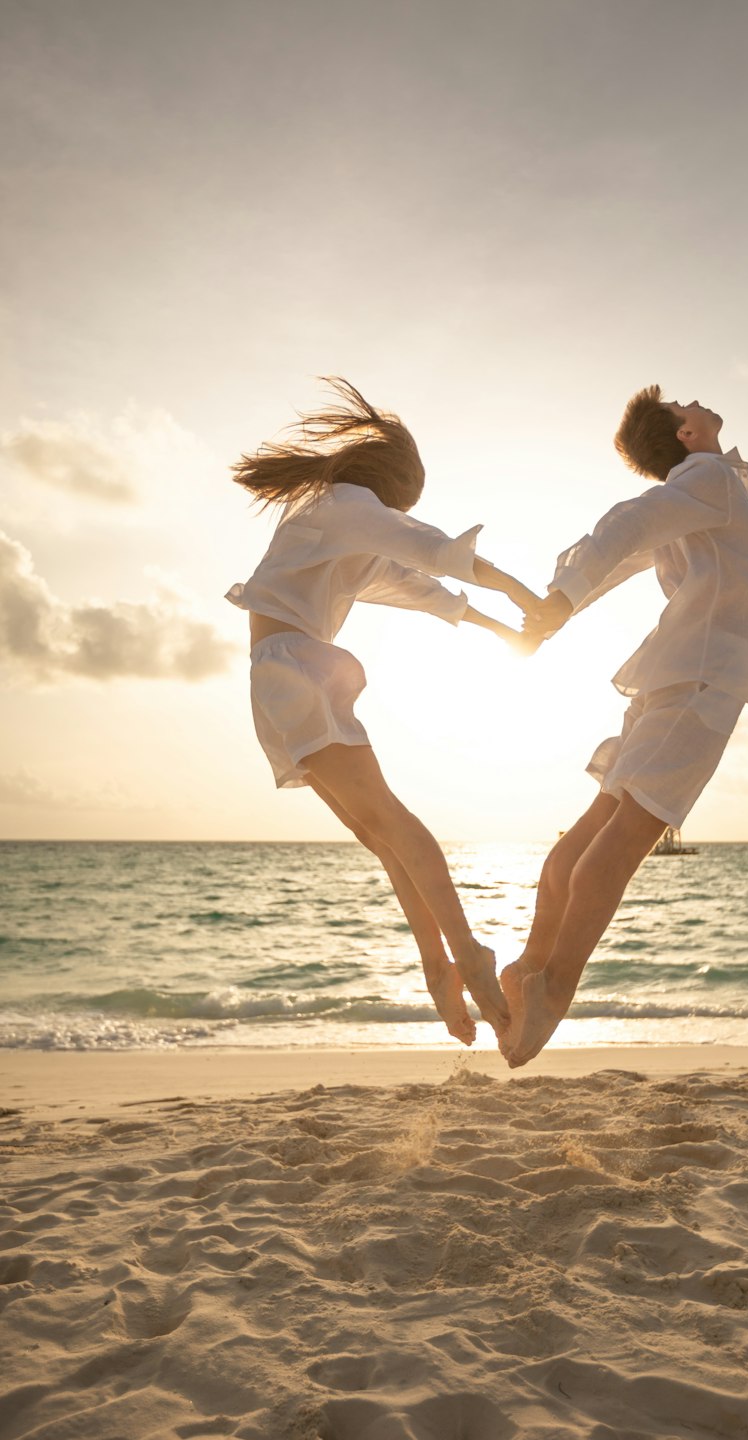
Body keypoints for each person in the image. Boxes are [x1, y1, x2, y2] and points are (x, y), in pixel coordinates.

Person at [226, 377, 540, 1047]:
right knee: (383, 829)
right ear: (390, 488)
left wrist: (503, 623)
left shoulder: (334, 515)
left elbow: (420, 582)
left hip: (287, 670)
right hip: (289, 669)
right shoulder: (342, 505)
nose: (392, 516)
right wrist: (510, 596)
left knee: (386, 825)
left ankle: (454, 961)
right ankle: (449, 962)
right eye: (399, 505)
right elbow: (421, 557)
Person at [501, 387, 748, 1067]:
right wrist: (561, 599)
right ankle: (554, 988)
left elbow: (623, 547)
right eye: (686, 401)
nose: (699, 398)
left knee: (598, 825)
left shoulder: (702, 487)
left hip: (673, 680)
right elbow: (626, 526)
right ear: (685, 432)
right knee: (623, 839)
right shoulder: (706, 479)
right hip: (701, 681)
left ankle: (531, 966)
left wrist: (561, 602)